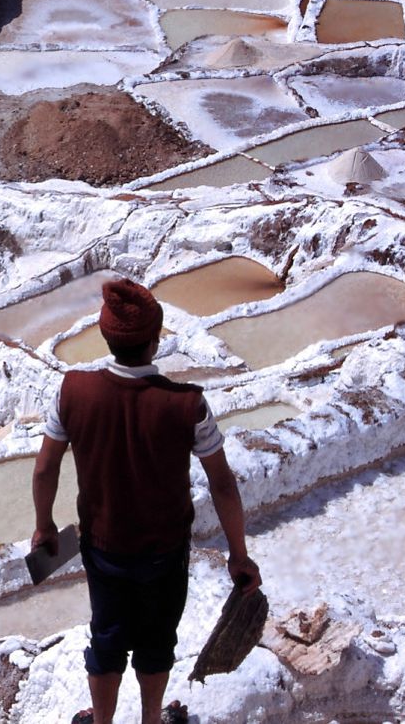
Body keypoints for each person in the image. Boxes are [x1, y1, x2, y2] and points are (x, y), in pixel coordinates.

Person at [30, 278, 262, 724]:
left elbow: (45, 468)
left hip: (103, 548)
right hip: (164, 552)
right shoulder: (187, 405)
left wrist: (43, 525)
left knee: (107, 637)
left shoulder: (72, 391)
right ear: (155, 341)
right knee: (157, 642)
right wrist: (238, 554)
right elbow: (223, 484)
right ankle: (151, 720)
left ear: (106, 337)